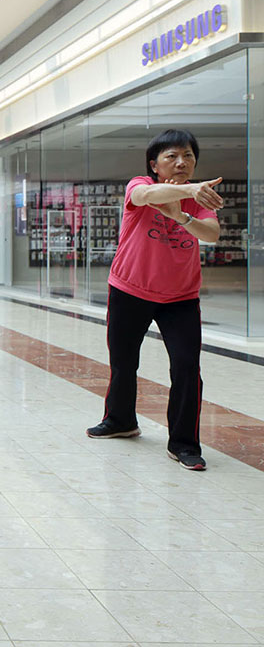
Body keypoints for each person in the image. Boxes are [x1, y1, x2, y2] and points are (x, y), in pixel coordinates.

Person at [86, 129, 221, 471]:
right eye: (172, 157)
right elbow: (145, 195)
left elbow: (212, 235)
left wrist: (183, 214)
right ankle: (121, 421)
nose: (181, 163)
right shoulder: (139, 184)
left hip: (181, 297)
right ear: (154, 164)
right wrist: (190, 188)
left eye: (188, 156)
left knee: (187, 368)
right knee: (124, 361)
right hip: (129, 289)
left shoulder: (199, 200)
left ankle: (184, 443)